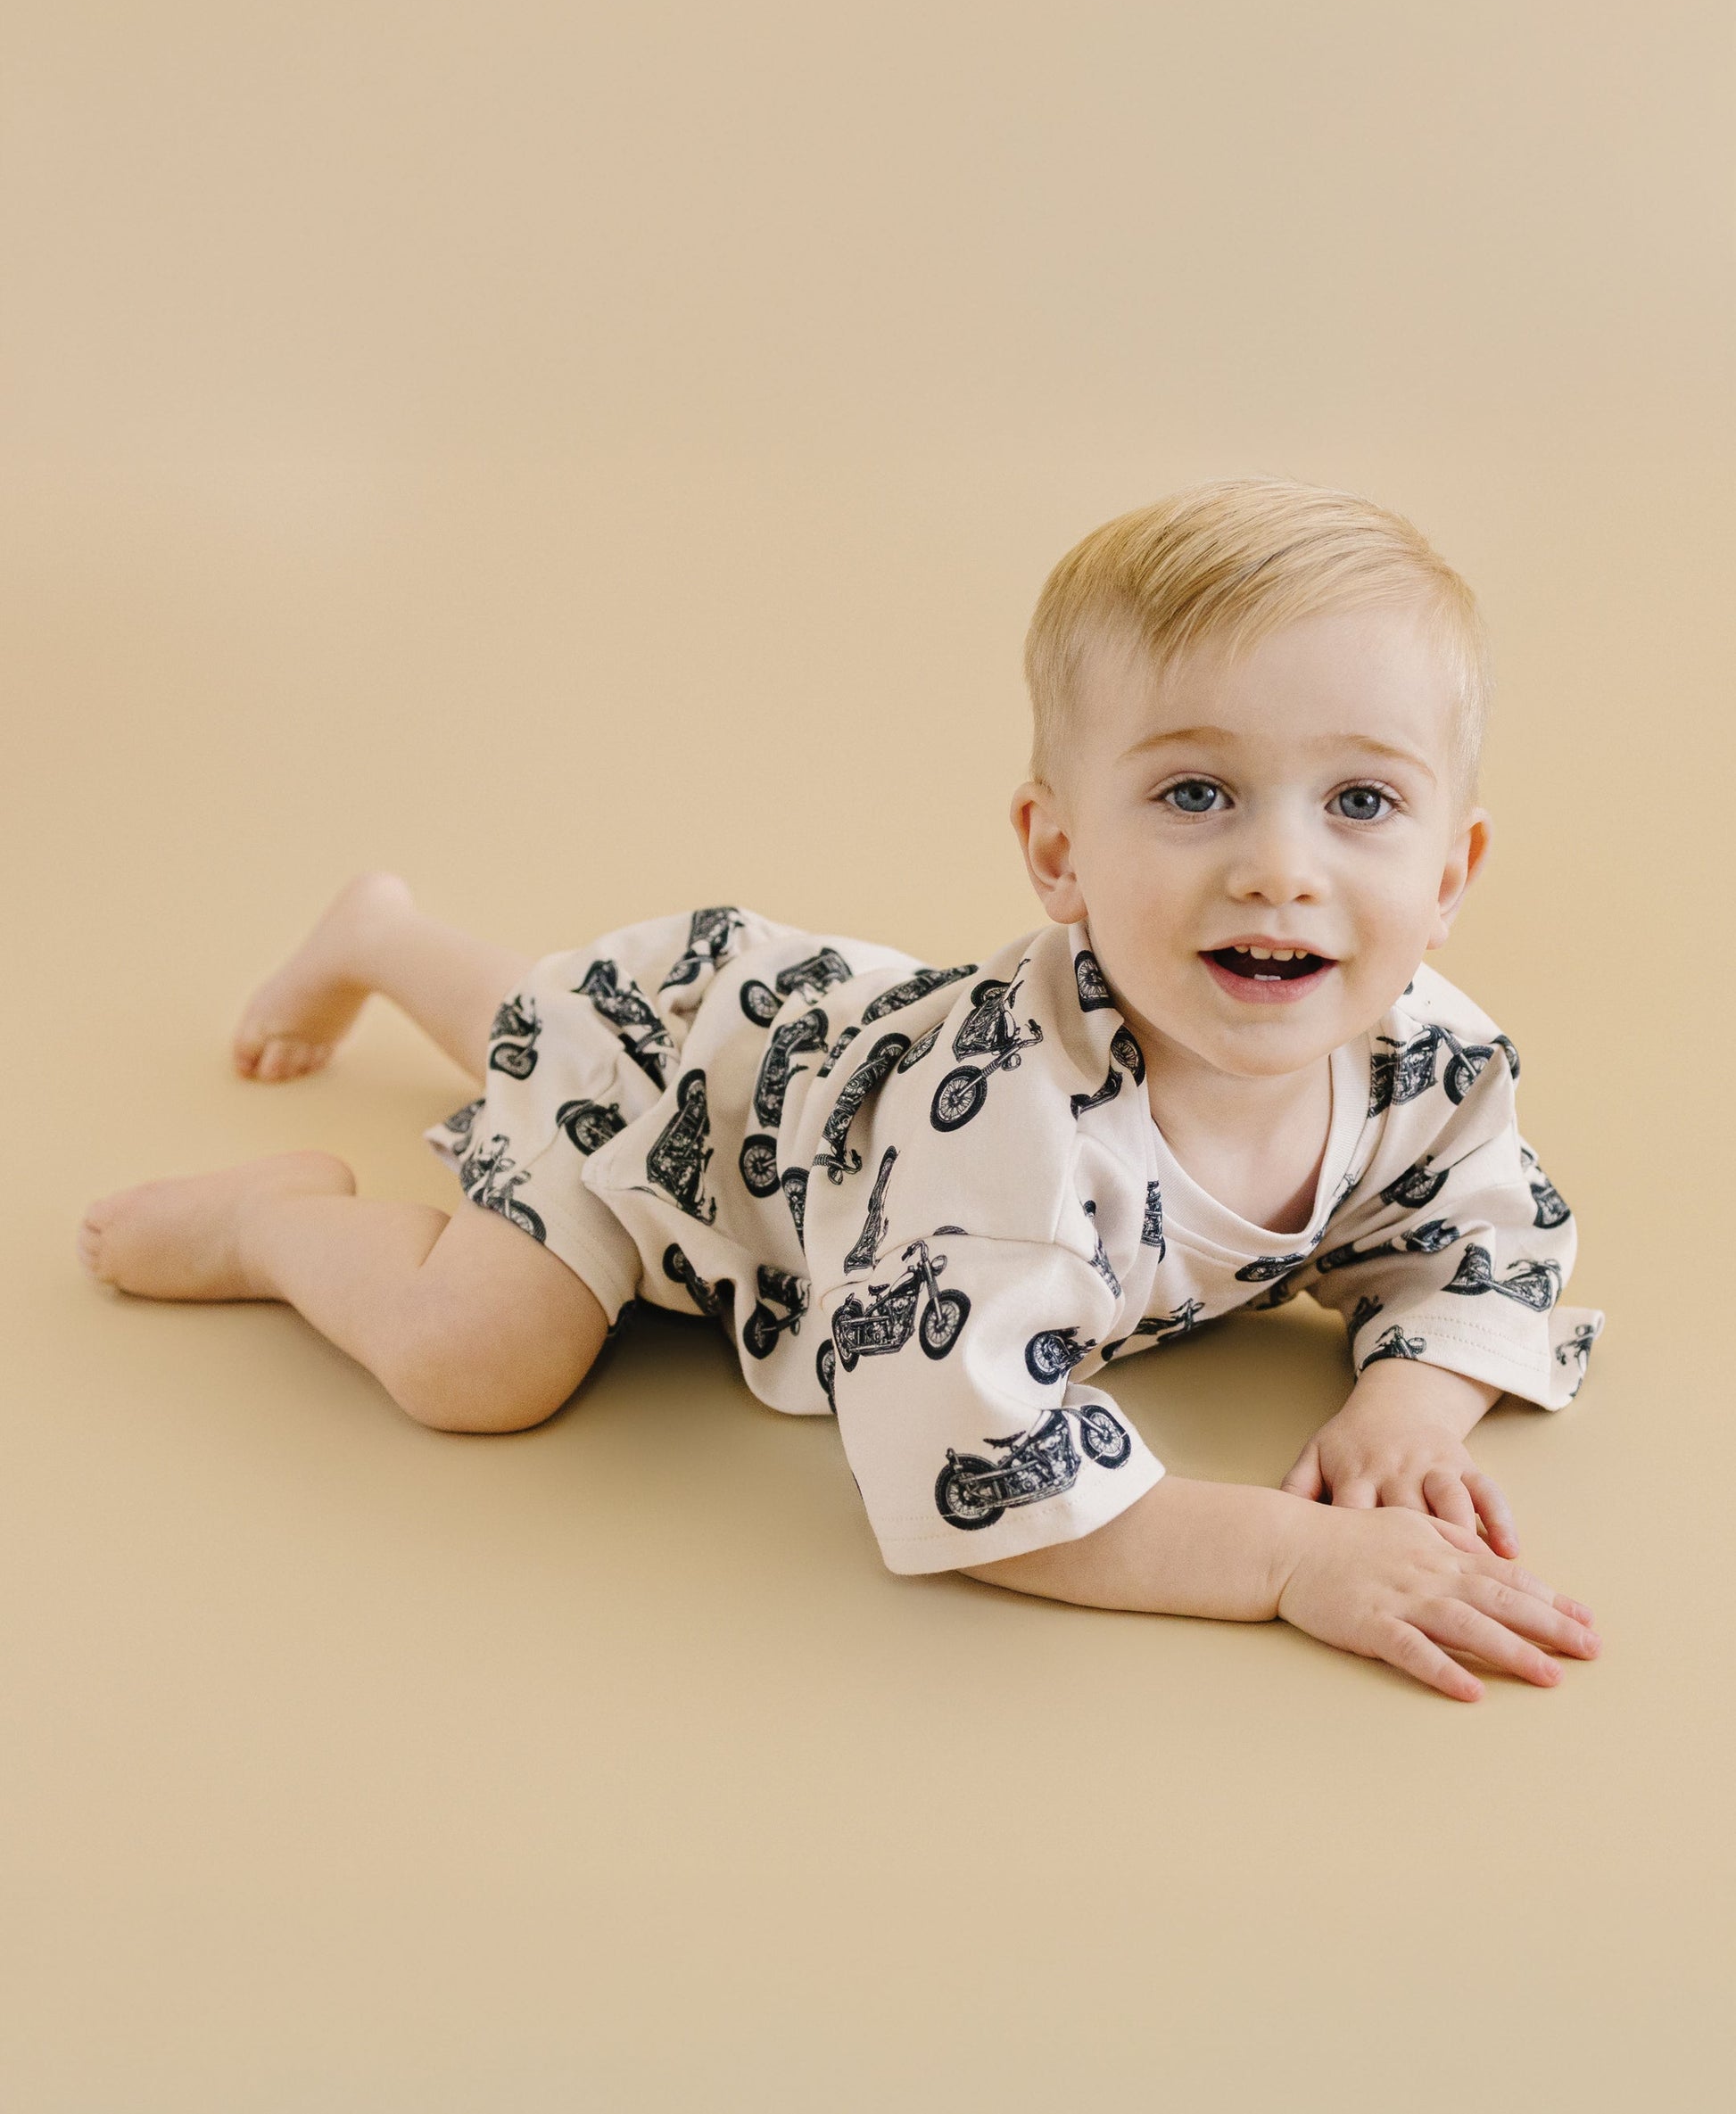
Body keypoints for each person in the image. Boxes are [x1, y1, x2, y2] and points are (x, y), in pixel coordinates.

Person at [76, 477, 1604, 1702]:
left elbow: (1489, 1235)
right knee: (478, 1353)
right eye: (1193, 792)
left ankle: (383, 935)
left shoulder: (1423, 1054)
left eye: (1360, 800)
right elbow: (974, 1466)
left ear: (1448, 873)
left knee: (568, 1026)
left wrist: (1410, 1399)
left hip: (799, 1043)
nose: (1280, 866)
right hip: (717, 1132)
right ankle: (276, 1220)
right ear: (1059, 851)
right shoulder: (1013, 1154)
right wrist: (1288, 1557)